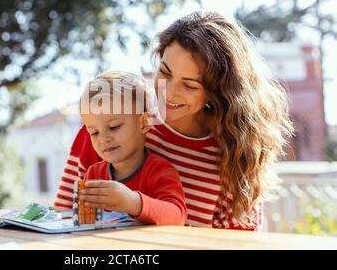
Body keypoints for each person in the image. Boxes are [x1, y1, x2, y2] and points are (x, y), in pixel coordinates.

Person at [54, 12, 293, 230]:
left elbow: (236, 245)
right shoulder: (108, 121)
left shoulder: (234, 153)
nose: (169, 92)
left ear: (218, 91)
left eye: (189, 85)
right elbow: (62, 220)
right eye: (165, 72)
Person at [78, 71, 187, 225]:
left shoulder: (159, 171)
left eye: (114, 127)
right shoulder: (94, 175)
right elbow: (84, 223)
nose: (103, 139)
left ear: (143, 123)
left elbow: (178, 216)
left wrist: (133, 202)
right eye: (94, 132)